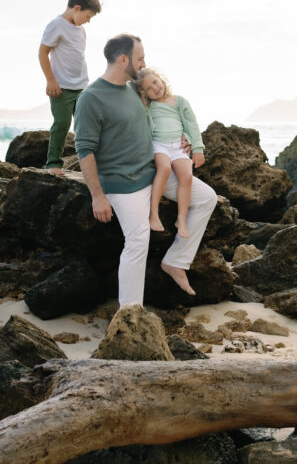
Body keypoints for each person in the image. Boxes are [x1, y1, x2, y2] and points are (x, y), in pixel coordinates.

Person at [73, 34, 218, 305]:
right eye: (140, 58)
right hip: (122, 184)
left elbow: (164, 119)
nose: (144, 64)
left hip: (153, 172)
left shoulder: (134, 90)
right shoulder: (90, 98)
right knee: (138, 240)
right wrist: (97, 196)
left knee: (207, 198)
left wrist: (182, 140)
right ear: (123, 59)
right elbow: (85, 150)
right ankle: (130, 313)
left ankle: (176, 260)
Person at [134, 68, 205, 239]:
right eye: (149, 88)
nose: (155, 88)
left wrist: (197, 148)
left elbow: (191, 124)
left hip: (178, 147)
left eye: (155, 82)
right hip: (159, 145)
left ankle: (181, 219)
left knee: (186, 176)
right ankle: (154, 214)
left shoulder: (179, 101)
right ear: (145, 94)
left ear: (162, 80)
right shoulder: (148, 107)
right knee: (164, 169)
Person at [38, 0, 102, 175]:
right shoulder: (56, 25)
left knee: (87, 125)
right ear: (76, 8)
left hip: (82, 86)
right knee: (62, 123)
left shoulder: (81, 30)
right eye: (88, 16)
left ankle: (93, 163)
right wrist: (50, 80)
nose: (88, 21)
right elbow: (43, 53)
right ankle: (53, 163)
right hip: (62, 87)